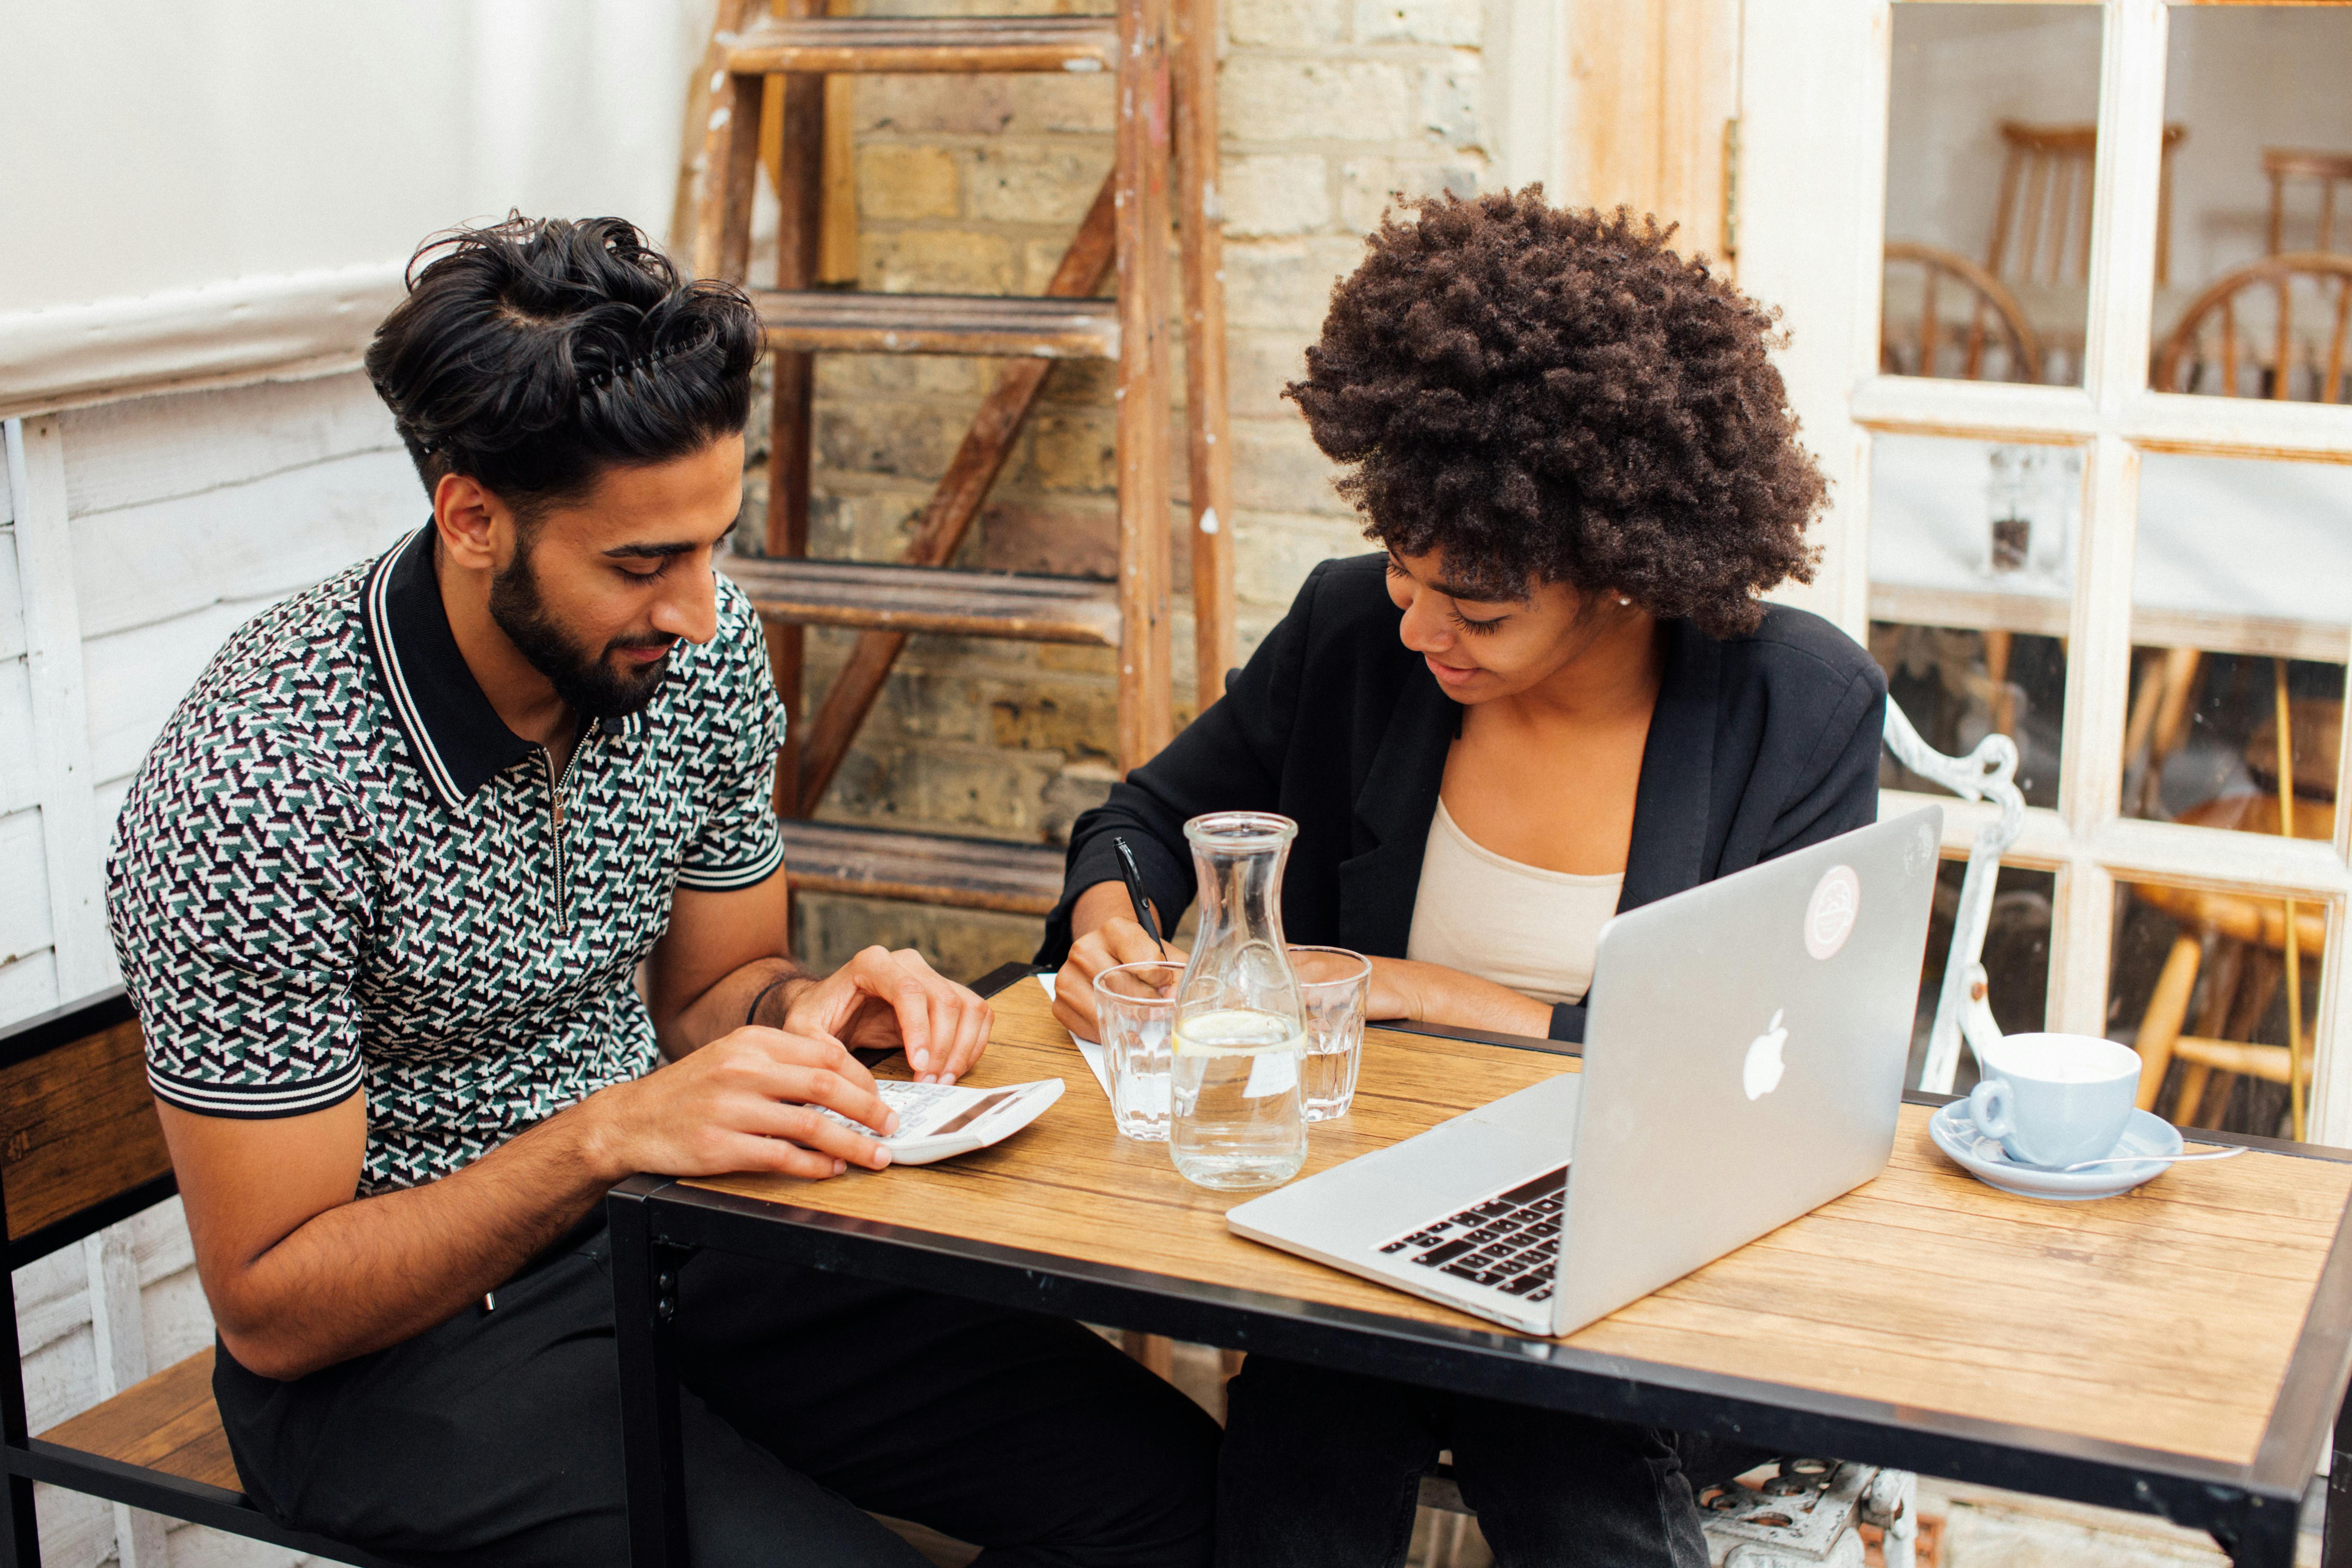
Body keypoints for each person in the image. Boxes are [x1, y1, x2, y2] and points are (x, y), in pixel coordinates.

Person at [106, 215, 1219, 1568]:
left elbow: (708, 994)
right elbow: (277, 1305)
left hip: (682, 1232)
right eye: (642, 563)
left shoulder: (697, 649)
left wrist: (816, 1008)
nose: (699, 609)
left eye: (713, 543)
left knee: (1185, 1502)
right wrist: (606, 1134)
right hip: (397, 1365)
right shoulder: (260, 779)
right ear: (472, 518)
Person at [1040, 192, 1886, 1568]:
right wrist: (1108, 921)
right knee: (1322, 1423)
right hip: (1351, 1231)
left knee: (1539, 1416)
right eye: (1404, 569)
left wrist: (1424, 991)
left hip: (1635, 1254)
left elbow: (1777, 1088)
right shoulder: (1352, 636)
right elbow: (1140, 818)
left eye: (1480, 609)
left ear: (1620, 572)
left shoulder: (1794, 707)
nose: (1420, 624)